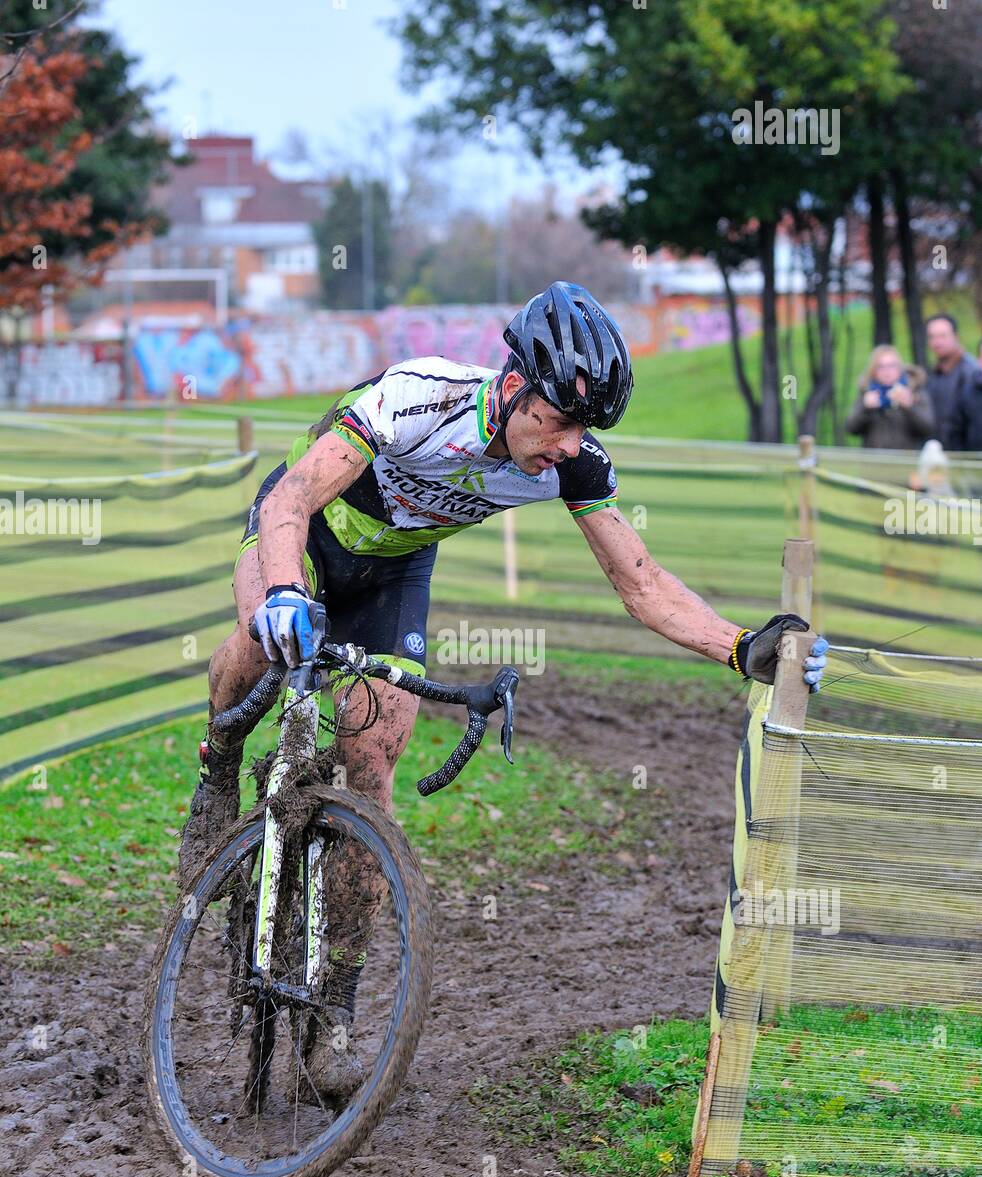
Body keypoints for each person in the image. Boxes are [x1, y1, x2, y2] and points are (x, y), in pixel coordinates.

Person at [179, 281, 828, 1106]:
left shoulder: (571, 466)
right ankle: (220, 758)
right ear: (513, 383)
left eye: (581, 429)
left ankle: (332, 1019)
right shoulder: (422, 398)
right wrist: (279, 589)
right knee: (266, 646)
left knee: (372, 763)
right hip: (301, 535)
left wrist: (742, 648)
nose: (565, 444)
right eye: (555, 419)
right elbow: (295, 497)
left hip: (395, 576)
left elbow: (641, 583)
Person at [845, 344, 935, 450]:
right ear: (873, 371)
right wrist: (865, 409)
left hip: (906, 461)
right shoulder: (867, 392)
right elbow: (851, 429)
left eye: (891, 366)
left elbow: (928, 429)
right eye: (881, 367)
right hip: (874, 462)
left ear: (900, 368)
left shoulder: (914, 391)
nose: (887, 371)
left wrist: (909, 407)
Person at [924, 314, 982, 451]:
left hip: (964, 456)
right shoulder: (935, 372)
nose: (937, 342)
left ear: (956, 336)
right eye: (932, 337)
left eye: (942, 336)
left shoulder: (971, 372)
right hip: (940, 451)